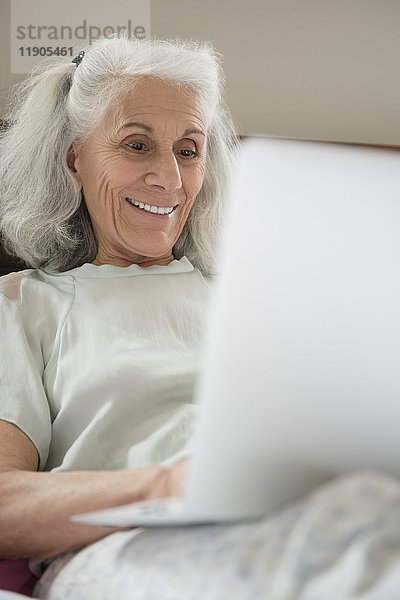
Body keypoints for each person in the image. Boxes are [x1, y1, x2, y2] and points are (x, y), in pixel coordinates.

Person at [1, 35, 400, 600]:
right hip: (134, 543)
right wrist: (174, 485)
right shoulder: (23, 303)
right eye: (137, 146)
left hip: (315, 510)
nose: (170, 178)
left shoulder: (257, 296)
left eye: (188, 151)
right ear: (75, 162)